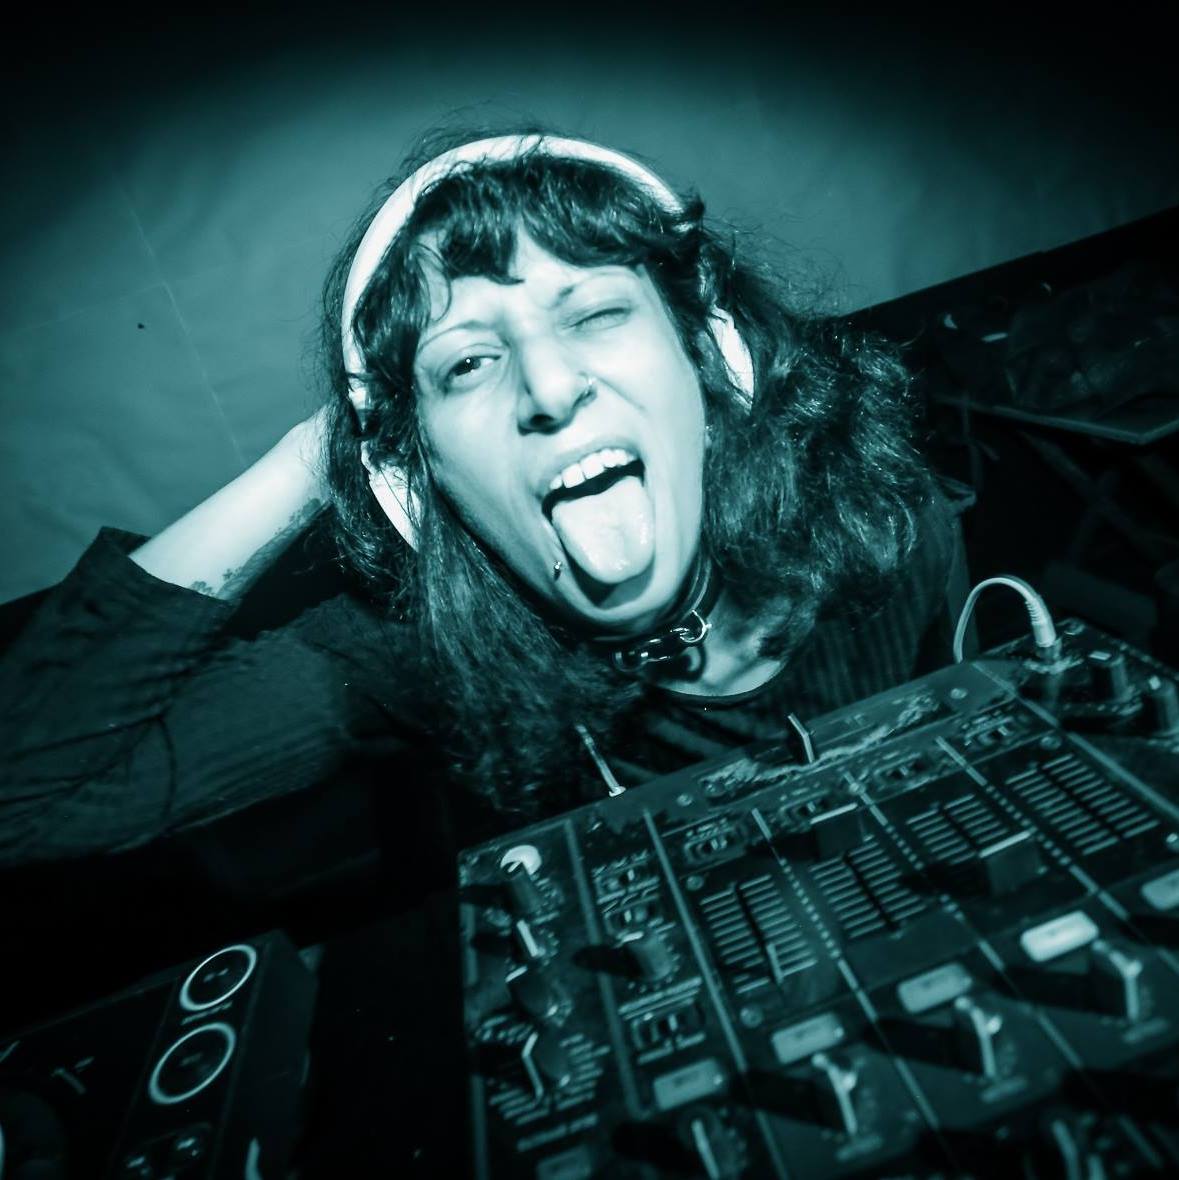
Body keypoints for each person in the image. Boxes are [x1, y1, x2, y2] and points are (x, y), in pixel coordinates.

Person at [0, 127, 963, 870]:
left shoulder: (881, 523)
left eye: (595, 312)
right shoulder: (414, 653)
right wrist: (320, 457)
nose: (548, 387)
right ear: (423, 481)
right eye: (465, 363)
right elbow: (24, 804)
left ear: (710, 367)